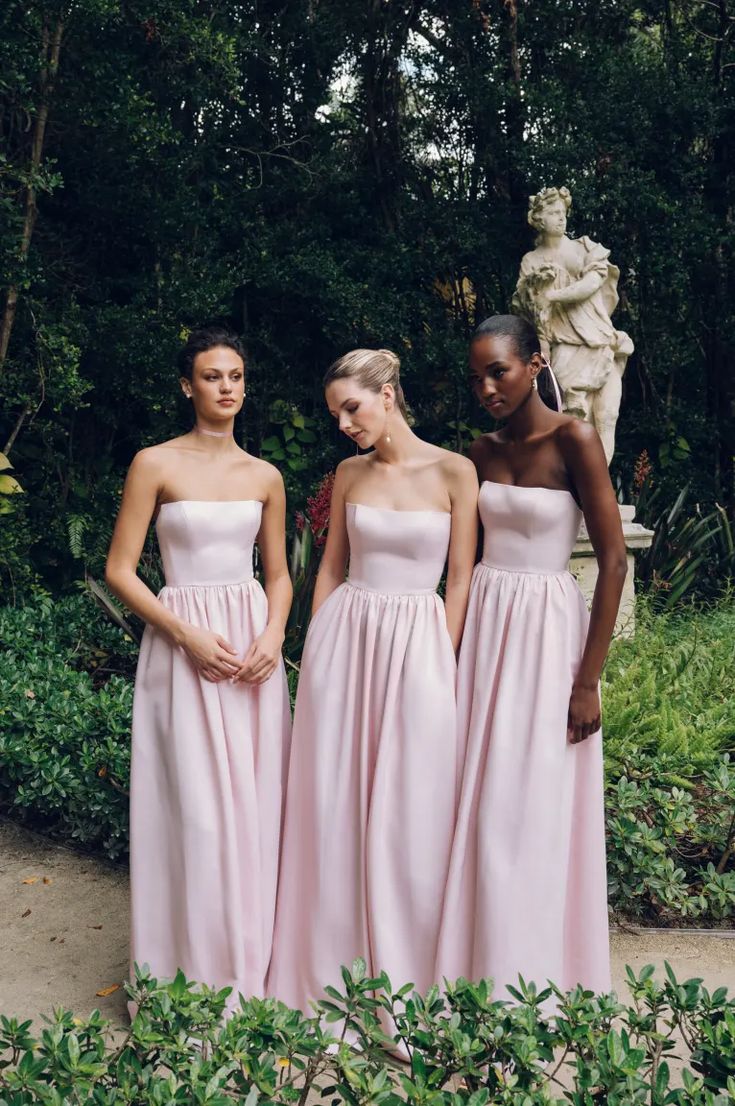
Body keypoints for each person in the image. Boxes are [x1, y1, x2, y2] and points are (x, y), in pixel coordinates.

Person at [267, 348, 478, 1037]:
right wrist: (315, 653)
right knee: (333, 807)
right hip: (345, 645)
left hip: (417, 644)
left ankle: (407, 983)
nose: (343, 424)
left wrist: (440, 662)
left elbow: (460, 580)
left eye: (350, 407)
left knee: (410, 813)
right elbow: (329, 568)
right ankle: (324, 976)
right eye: (334, 414)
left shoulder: (454, 470)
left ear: (389, 393)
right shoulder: (348, 472)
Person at [435, 314, 626, 998]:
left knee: (535, 803)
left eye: (499, 371)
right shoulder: (477, 455)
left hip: (547, 633)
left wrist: (587, 681)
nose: (486, 387)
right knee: (481, 798)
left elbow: (612, 560)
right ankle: (476, 965)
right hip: (487, 627)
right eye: (477, 377)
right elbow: (465, 560)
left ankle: (539, 977)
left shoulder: (572, 437)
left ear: (536, 364)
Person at [105, 324, 292, 1009]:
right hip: (181, 649)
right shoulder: (154, 463)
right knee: (195, 814)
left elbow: (278, 574)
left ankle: (253, 974)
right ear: (188, 385)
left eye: (236, 376)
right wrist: (182, 632)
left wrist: (273, 634)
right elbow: (119, 571)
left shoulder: (264, 476)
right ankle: (188, 980)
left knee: (253, 811)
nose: (226, 388)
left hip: (248, 655)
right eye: (212, 376)